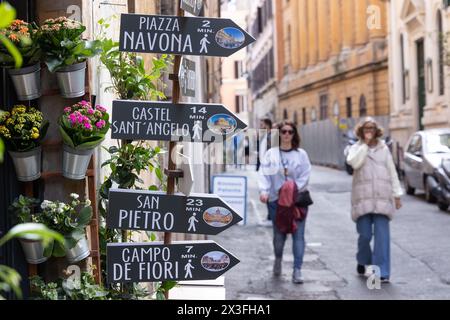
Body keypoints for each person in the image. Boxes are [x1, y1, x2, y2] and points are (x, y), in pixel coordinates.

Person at [346, 117, 403, 283]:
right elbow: (354, 164)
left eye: (371, 128)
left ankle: (381, 272)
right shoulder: (355, 148)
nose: (369, 131)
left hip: (382, 198)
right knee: (364, 235)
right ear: (361, 131)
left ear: (376, 131)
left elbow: (392, 172)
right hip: (362, 199)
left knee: (382, 237)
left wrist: (397, 195)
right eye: (366, 129)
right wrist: (364, 145)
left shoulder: (384, 149)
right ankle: (363, 260)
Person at [258, 121, 311, 284]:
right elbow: (264, 174)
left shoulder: (300, 154)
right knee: (279, 236)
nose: (287, 135)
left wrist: (292, 189)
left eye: (290, 132)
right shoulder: (271, 154)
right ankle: (278, 259)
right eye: (283, 132)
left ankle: (297, 270)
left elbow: (305, 175)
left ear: (294, 134)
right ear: (278, 134)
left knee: (298, 235)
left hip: (296, 202)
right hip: (276, 202)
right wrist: (264, 191)